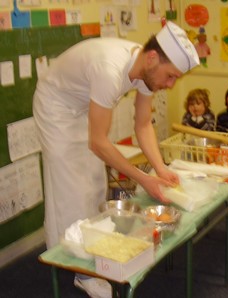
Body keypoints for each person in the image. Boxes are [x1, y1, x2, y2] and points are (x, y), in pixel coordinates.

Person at [33, 21, 199, 297]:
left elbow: (143, 125)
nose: (170, 85)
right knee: (69, 187)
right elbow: (98, 143)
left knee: (94, 181)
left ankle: (87, 247)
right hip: (55, 106)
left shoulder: (146, 71)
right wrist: (144, 179)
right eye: (170, 76)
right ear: (152, 58)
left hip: (80, 105)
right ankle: (78, 268)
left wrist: (160, 169)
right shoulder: (109, 70)